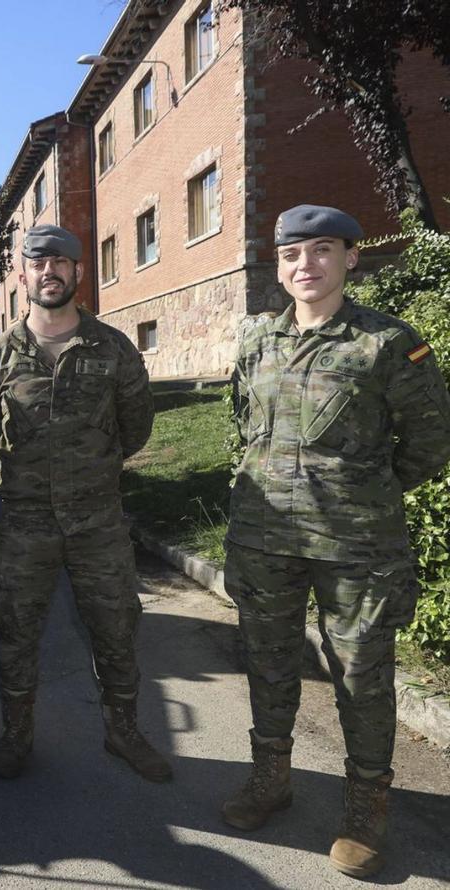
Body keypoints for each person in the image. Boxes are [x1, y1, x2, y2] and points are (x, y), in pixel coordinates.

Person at [221, 205, 450, 878]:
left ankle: (365, 810)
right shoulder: (256, 340)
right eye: (292, 255)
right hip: (265, 541)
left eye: (321, 250)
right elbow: (244, 424)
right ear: (279, 266)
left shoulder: (388, 343)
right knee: (267, 663)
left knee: (362, 679)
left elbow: (431, 443)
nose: (305, 266)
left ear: (351, 258)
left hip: (358, 548)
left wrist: (363, 493)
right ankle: (271, 780)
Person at [0, 224, 171, 784]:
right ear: (23, 273)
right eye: (38, 262)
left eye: (61, 261)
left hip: (98, 523)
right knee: (15, 631)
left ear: (78, 271)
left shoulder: (112, 348)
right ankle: (17, 733)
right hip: (25, 524)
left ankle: (123, 731)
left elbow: (136, 426)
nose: (49, 271)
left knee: (115, 627)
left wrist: (90, 472)